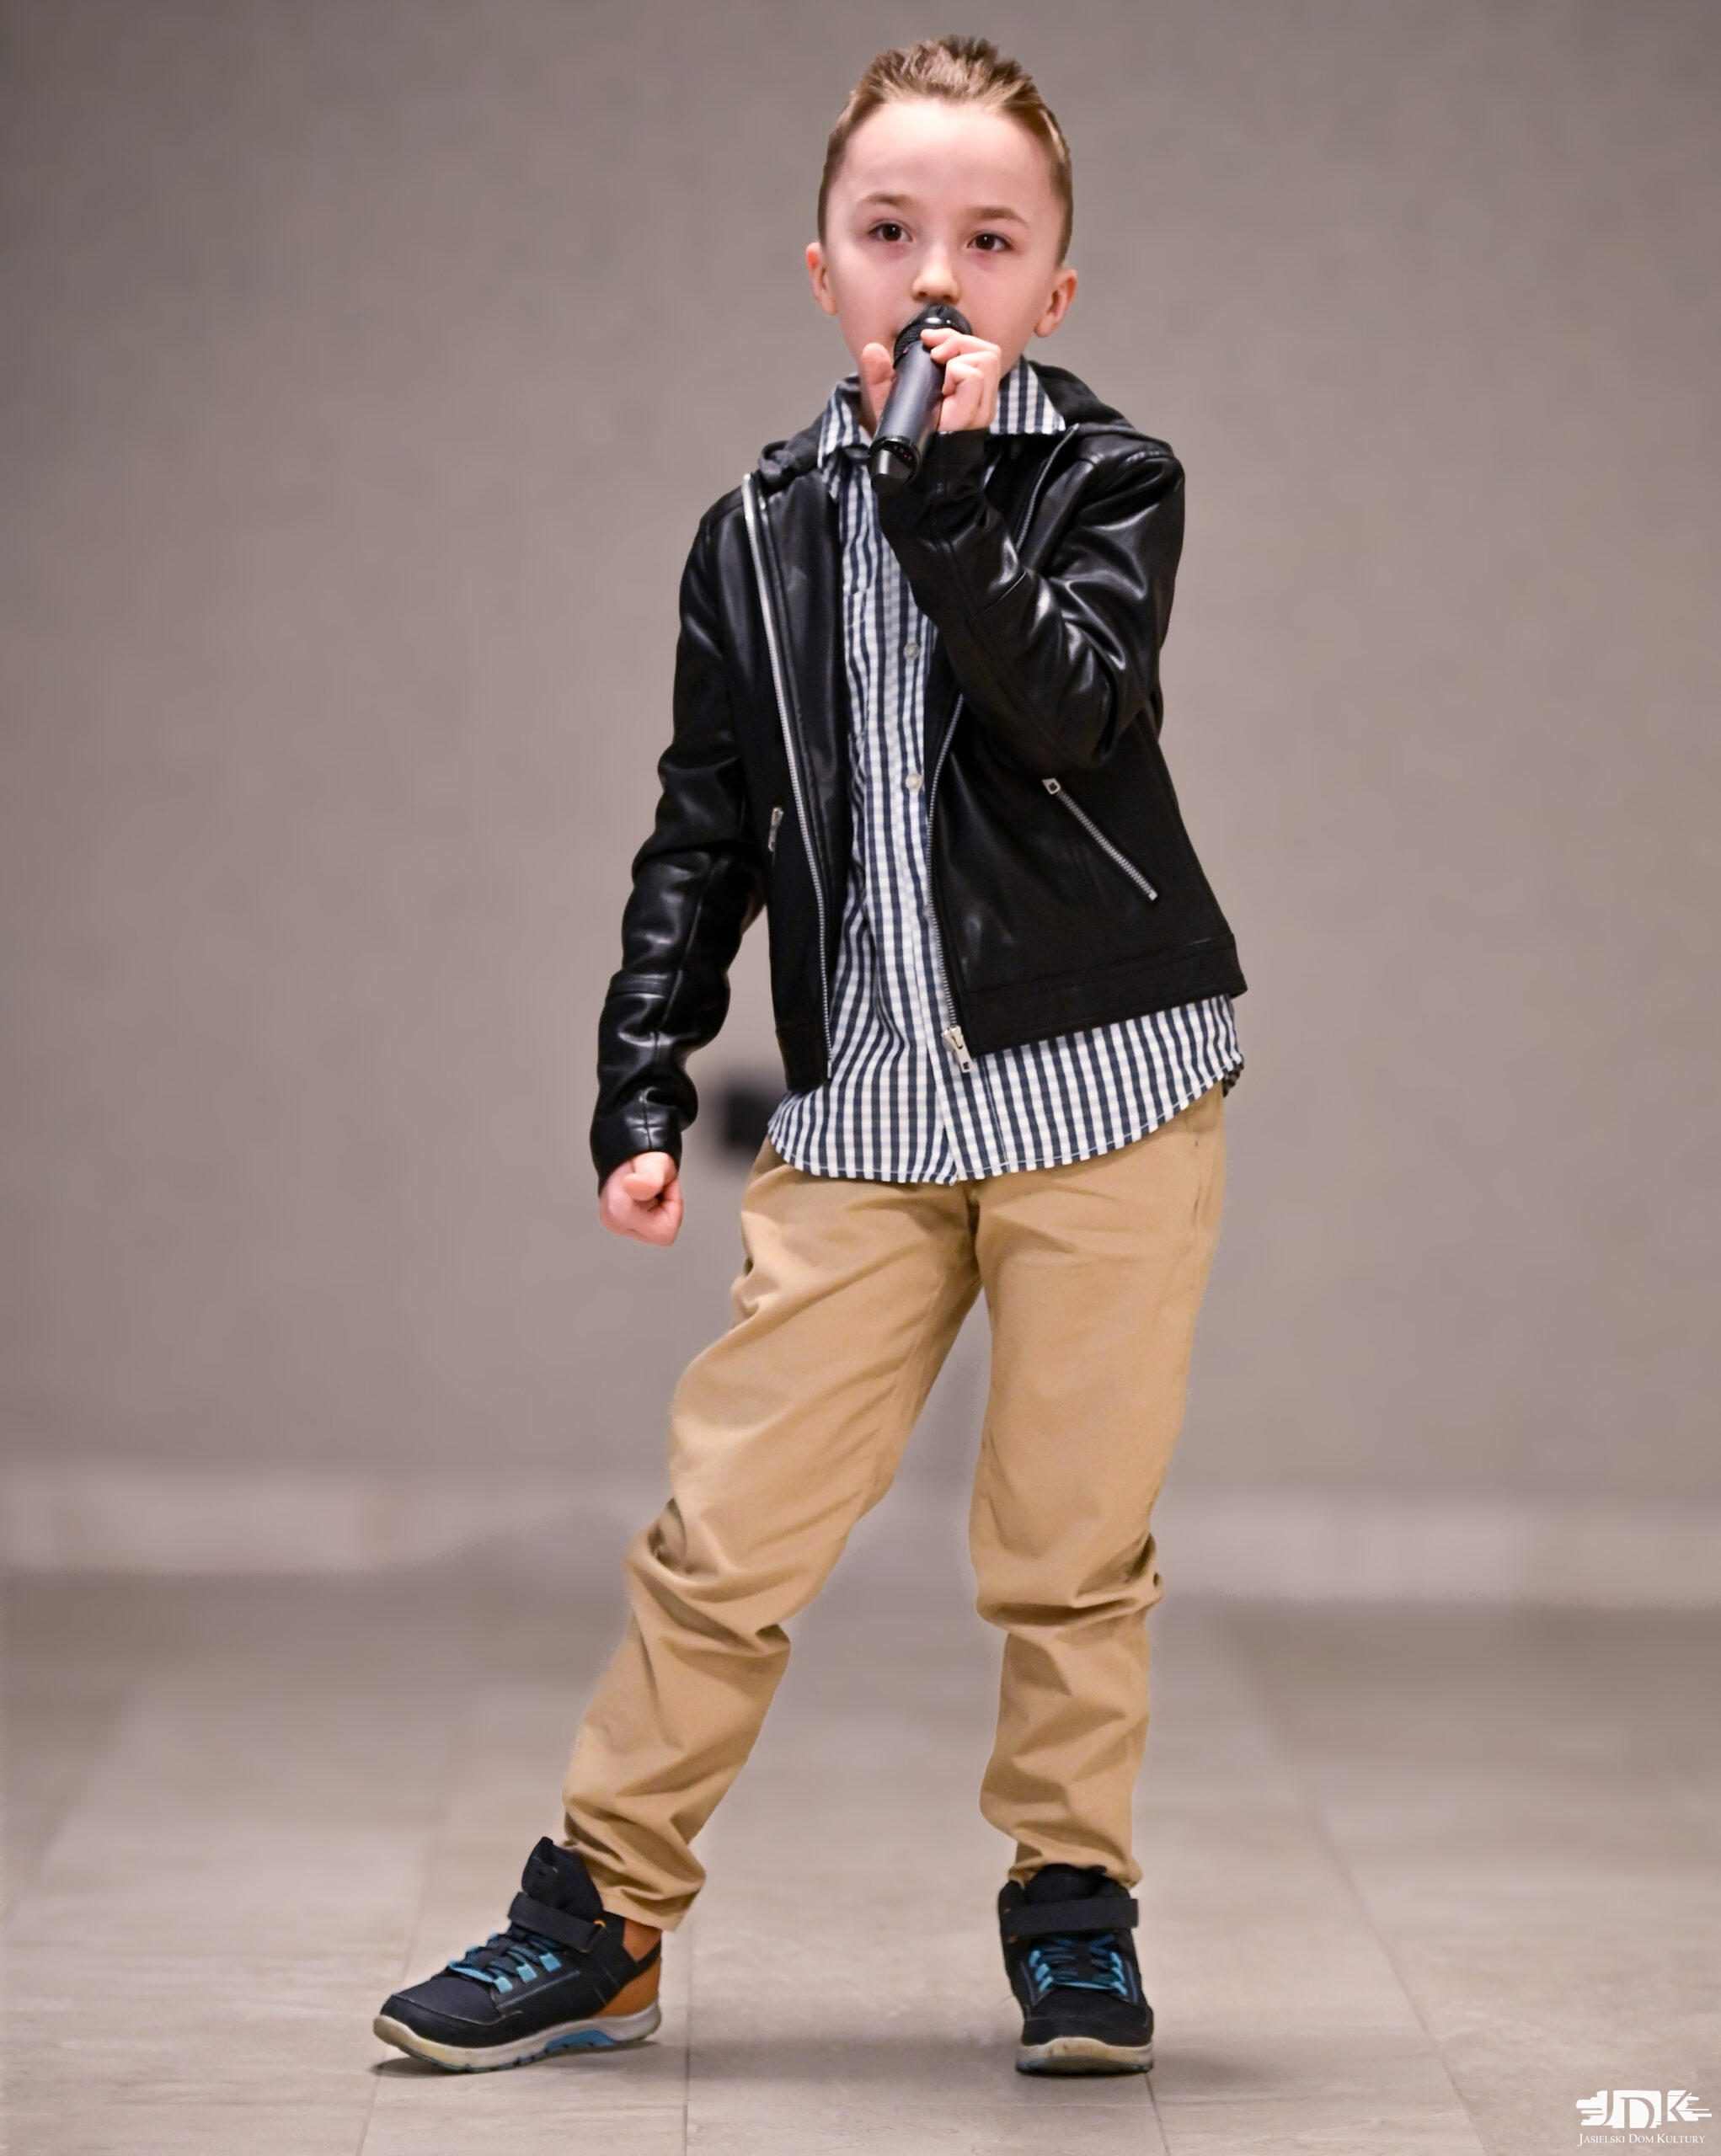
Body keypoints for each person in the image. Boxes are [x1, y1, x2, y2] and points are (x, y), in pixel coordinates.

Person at [376, 34, 1245, 2080]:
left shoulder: (1106, 480)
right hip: (867, 1110)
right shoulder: (749, 531)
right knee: (728, 1525)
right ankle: (595, 1919)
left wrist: (946, 496)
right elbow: (702, 826)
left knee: (1067, 1544)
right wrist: (642, 1070)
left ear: (1053, 287)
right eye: (889, 229)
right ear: (820, 265)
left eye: (988, 240)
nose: (935, 272)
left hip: (1105, 1089)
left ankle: (1071, 1910)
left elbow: (1071, 708)